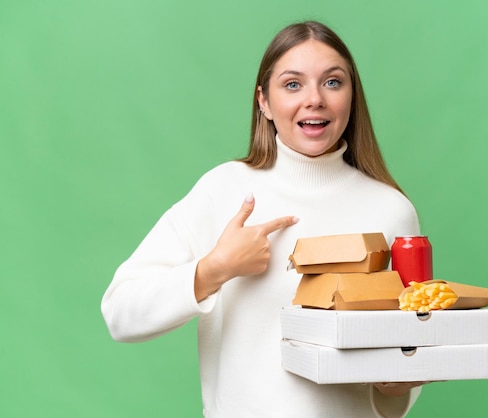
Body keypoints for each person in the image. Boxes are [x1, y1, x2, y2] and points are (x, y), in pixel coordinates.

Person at [102, 20, 429, 417]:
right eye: (293, 84)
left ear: (352, 96)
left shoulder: (391, 210)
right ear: (264, 101)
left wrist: (397, 384)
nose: (315, 100)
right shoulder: (224, 190)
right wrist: (213, 269)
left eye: (332, 82)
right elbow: (120, 313)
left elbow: (409, 357)